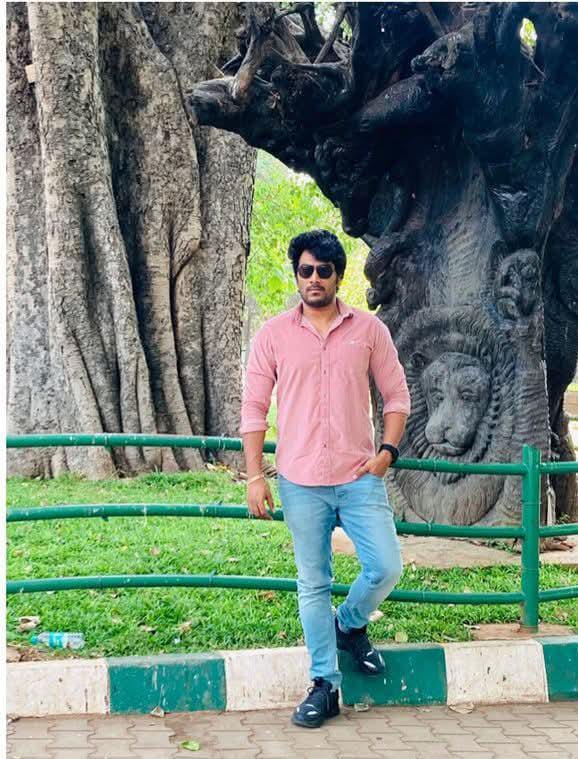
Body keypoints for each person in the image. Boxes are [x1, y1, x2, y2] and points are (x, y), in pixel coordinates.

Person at [240, 229, 411, 728]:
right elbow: (253, 409)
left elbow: (397, 396)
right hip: (299, 481)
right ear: (296, 274)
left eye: (324, 270)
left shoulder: (369, 331)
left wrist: (386, 453)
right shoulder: (273, 335)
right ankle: (325, 685)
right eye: (305, 270)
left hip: (359, 478)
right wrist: (254, 475)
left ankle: (350, 625)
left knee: (386, 567)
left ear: (337, 275)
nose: (314, 279)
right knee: (313, 583)